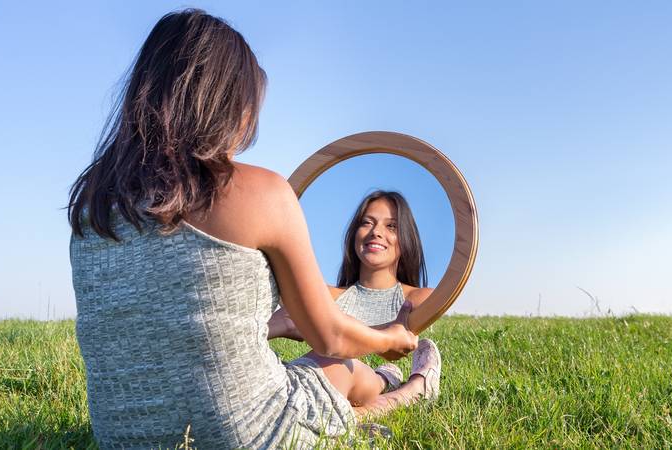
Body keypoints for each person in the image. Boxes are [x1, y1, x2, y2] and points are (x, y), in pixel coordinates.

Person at [67, 9, 439, 449]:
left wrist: (275, 324)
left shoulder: (93, 202)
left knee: (315, 367)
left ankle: (383, 381)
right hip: (243, 436)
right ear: (227, 103)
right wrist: (389, 337)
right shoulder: (260, 191)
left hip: (121, 438)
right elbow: (333, 337)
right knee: (337, 368)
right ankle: (408, 389)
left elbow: (168, 320)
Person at [269, 190, 440, 404]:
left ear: (405, 239)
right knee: (332, 361)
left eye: (391, 226)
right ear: (354, 235)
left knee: (333, 363)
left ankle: (387, 380)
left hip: (325, 382)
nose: (376, 232)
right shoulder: (325, 295)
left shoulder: (421, 298)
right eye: (367, 223)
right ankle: (397, 385)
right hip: (319, 380)